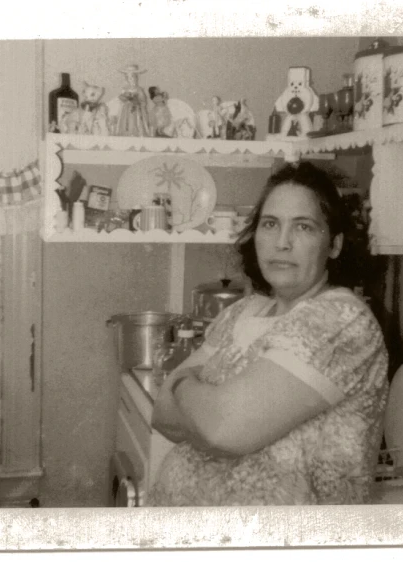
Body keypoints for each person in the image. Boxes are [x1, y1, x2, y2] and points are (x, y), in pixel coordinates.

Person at [148, 162, 389, 506]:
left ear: (334, 245)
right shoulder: (241, 311)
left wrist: (182, 383)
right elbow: (162, 416)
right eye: (270, 224)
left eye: (303, 227)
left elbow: (223, 429)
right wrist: (205, 410)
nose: (282, 242)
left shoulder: (341, 320)